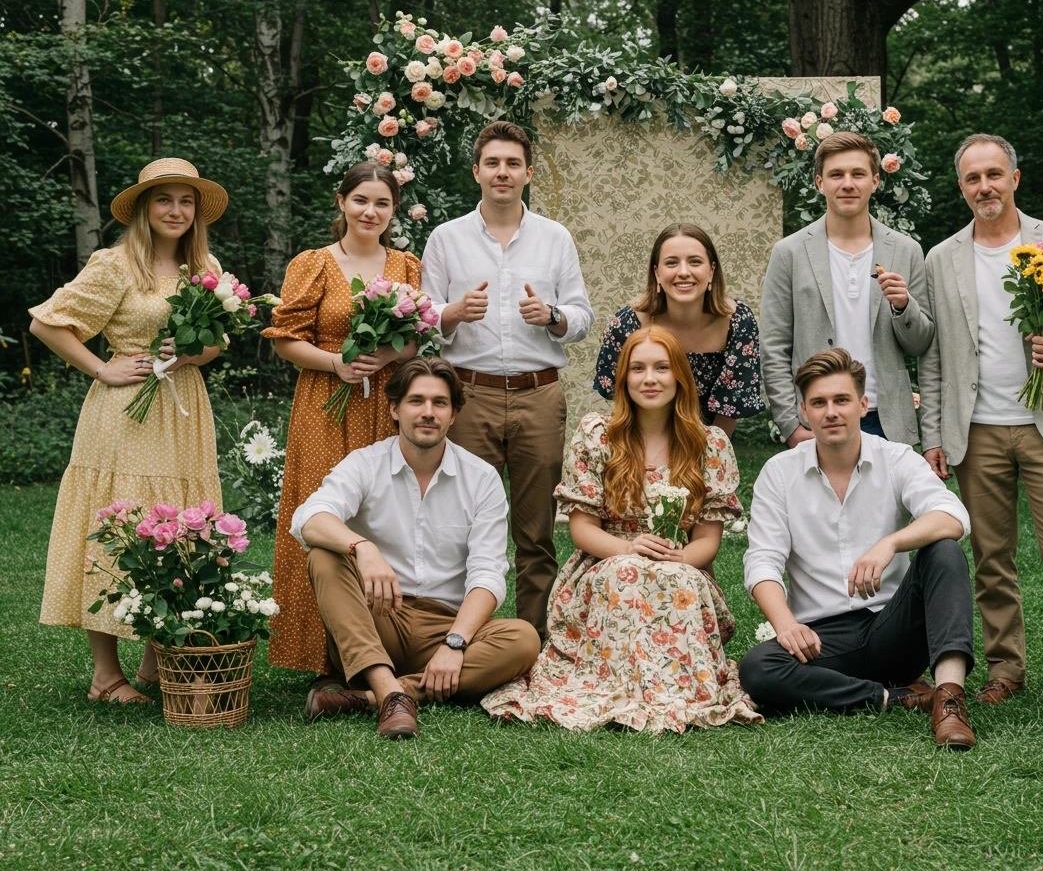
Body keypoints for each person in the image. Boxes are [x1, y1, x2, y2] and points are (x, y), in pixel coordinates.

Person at [916, 133, 1043, 710]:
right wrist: (934, 435)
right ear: (961, 189)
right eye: (973, 178)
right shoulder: (942, 257)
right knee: (991, 560)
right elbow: (932, 356)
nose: (985, 186)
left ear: (1014, 178)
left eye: (994, 174)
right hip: (975, 431)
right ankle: (1006, 669)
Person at [482, 326, 761, 732]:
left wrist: (679, 558)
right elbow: (583, 531)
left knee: (674, 578)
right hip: (607, 560)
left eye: (662, 368)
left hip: (680, 561)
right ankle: (611, 685)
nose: (650, 379)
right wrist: (630, 550)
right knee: (626, 574)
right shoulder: (599, 435)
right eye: (638, 369)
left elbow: (708, 542)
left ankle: (680, 690)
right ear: (623, 379)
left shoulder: (708, 443)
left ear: (680, 376)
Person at [28, 158, 228, 704]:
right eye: (164, 200)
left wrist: (194, 352)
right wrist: (101, 367)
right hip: (123, 412)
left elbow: (217, 342)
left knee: (179, 528)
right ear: (143, 208)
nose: (176, 211)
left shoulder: (203, 267)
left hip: (183, 405)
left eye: (186, 201)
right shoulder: (116, 264)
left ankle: (151, 663)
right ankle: (104, 674)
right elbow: (45, 322)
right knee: (119, 525)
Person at [739, 349, 977, 749]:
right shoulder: (779, 473)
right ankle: (893, 697)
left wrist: (891, 543)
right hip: (822, 640)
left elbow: (953, 515)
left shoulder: (895, 458)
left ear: (863, 404)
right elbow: (762, 559)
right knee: (757, 669)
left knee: (944, 551)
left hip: (894, 629)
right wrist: (786, 625)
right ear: (804, 412)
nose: (831, 412)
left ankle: (949, 701)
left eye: (842, 400)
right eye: (819, 403)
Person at [293, 357, 540, 739]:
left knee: (524, 639)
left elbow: (488, 573)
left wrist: (455, 644)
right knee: (324, 554)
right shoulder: (365, 463)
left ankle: (376, 697)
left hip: (444, 625)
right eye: (416, 401)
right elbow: (309, 518)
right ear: (394, 409)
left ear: (453, 415)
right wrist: (363, 548)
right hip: (377, 617)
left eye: (439, 403)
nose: (428, 412)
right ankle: (388, 687)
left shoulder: (481, 478)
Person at [423, 121, 594, 639]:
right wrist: (452, 313)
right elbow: (422, 316)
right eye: (493, 163)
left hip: (537, 394)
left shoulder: (554, 237)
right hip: (466, 395)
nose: (503, 172)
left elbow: (583, 315)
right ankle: (450, 639)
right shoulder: (446, 238)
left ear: (528, 173)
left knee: (535, 530)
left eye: (513, 164)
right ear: (476, 171)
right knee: (458, 523)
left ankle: (531, 642)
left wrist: (553, 315)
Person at [263, 162, 424, 675]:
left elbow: (418, 336)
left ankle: (381, 644)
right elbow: (285, 339)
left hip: (384, 403)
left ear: (393, 211)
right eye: (361, 200)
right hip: (324, 403)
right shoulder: (313, 262)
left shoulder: (406, 266)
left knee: (383, 511)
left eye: (382, 203)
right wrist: (338, 362)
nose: (370, 211)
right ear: (341, 202)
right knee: (323, 512)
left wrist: (389, 356)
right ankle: (315, 652)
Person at [760, 131, 933, 446]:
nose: (848, 183)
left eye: (858, 174)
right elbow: (773, 347)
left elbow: (920, 344)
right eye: (836, 174)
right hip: (816, 418)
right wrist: (790, 424)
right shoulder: (789, 253)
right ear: (819, 183)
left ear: (875, 181)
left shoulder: (906, 251)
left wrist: (903, 306)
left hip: (886, 418)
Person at [593, 223, 764, 436]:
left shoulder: (738, 321)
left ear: (711, 270)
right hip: (642, 436)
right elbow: (618, 393)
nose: (683, 272)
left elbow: (732, 402)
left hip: (711, 439)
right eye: (672, 263)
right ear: (657, 272)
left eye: (694, 262)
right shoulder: (627, 324)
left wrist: (709, 454)